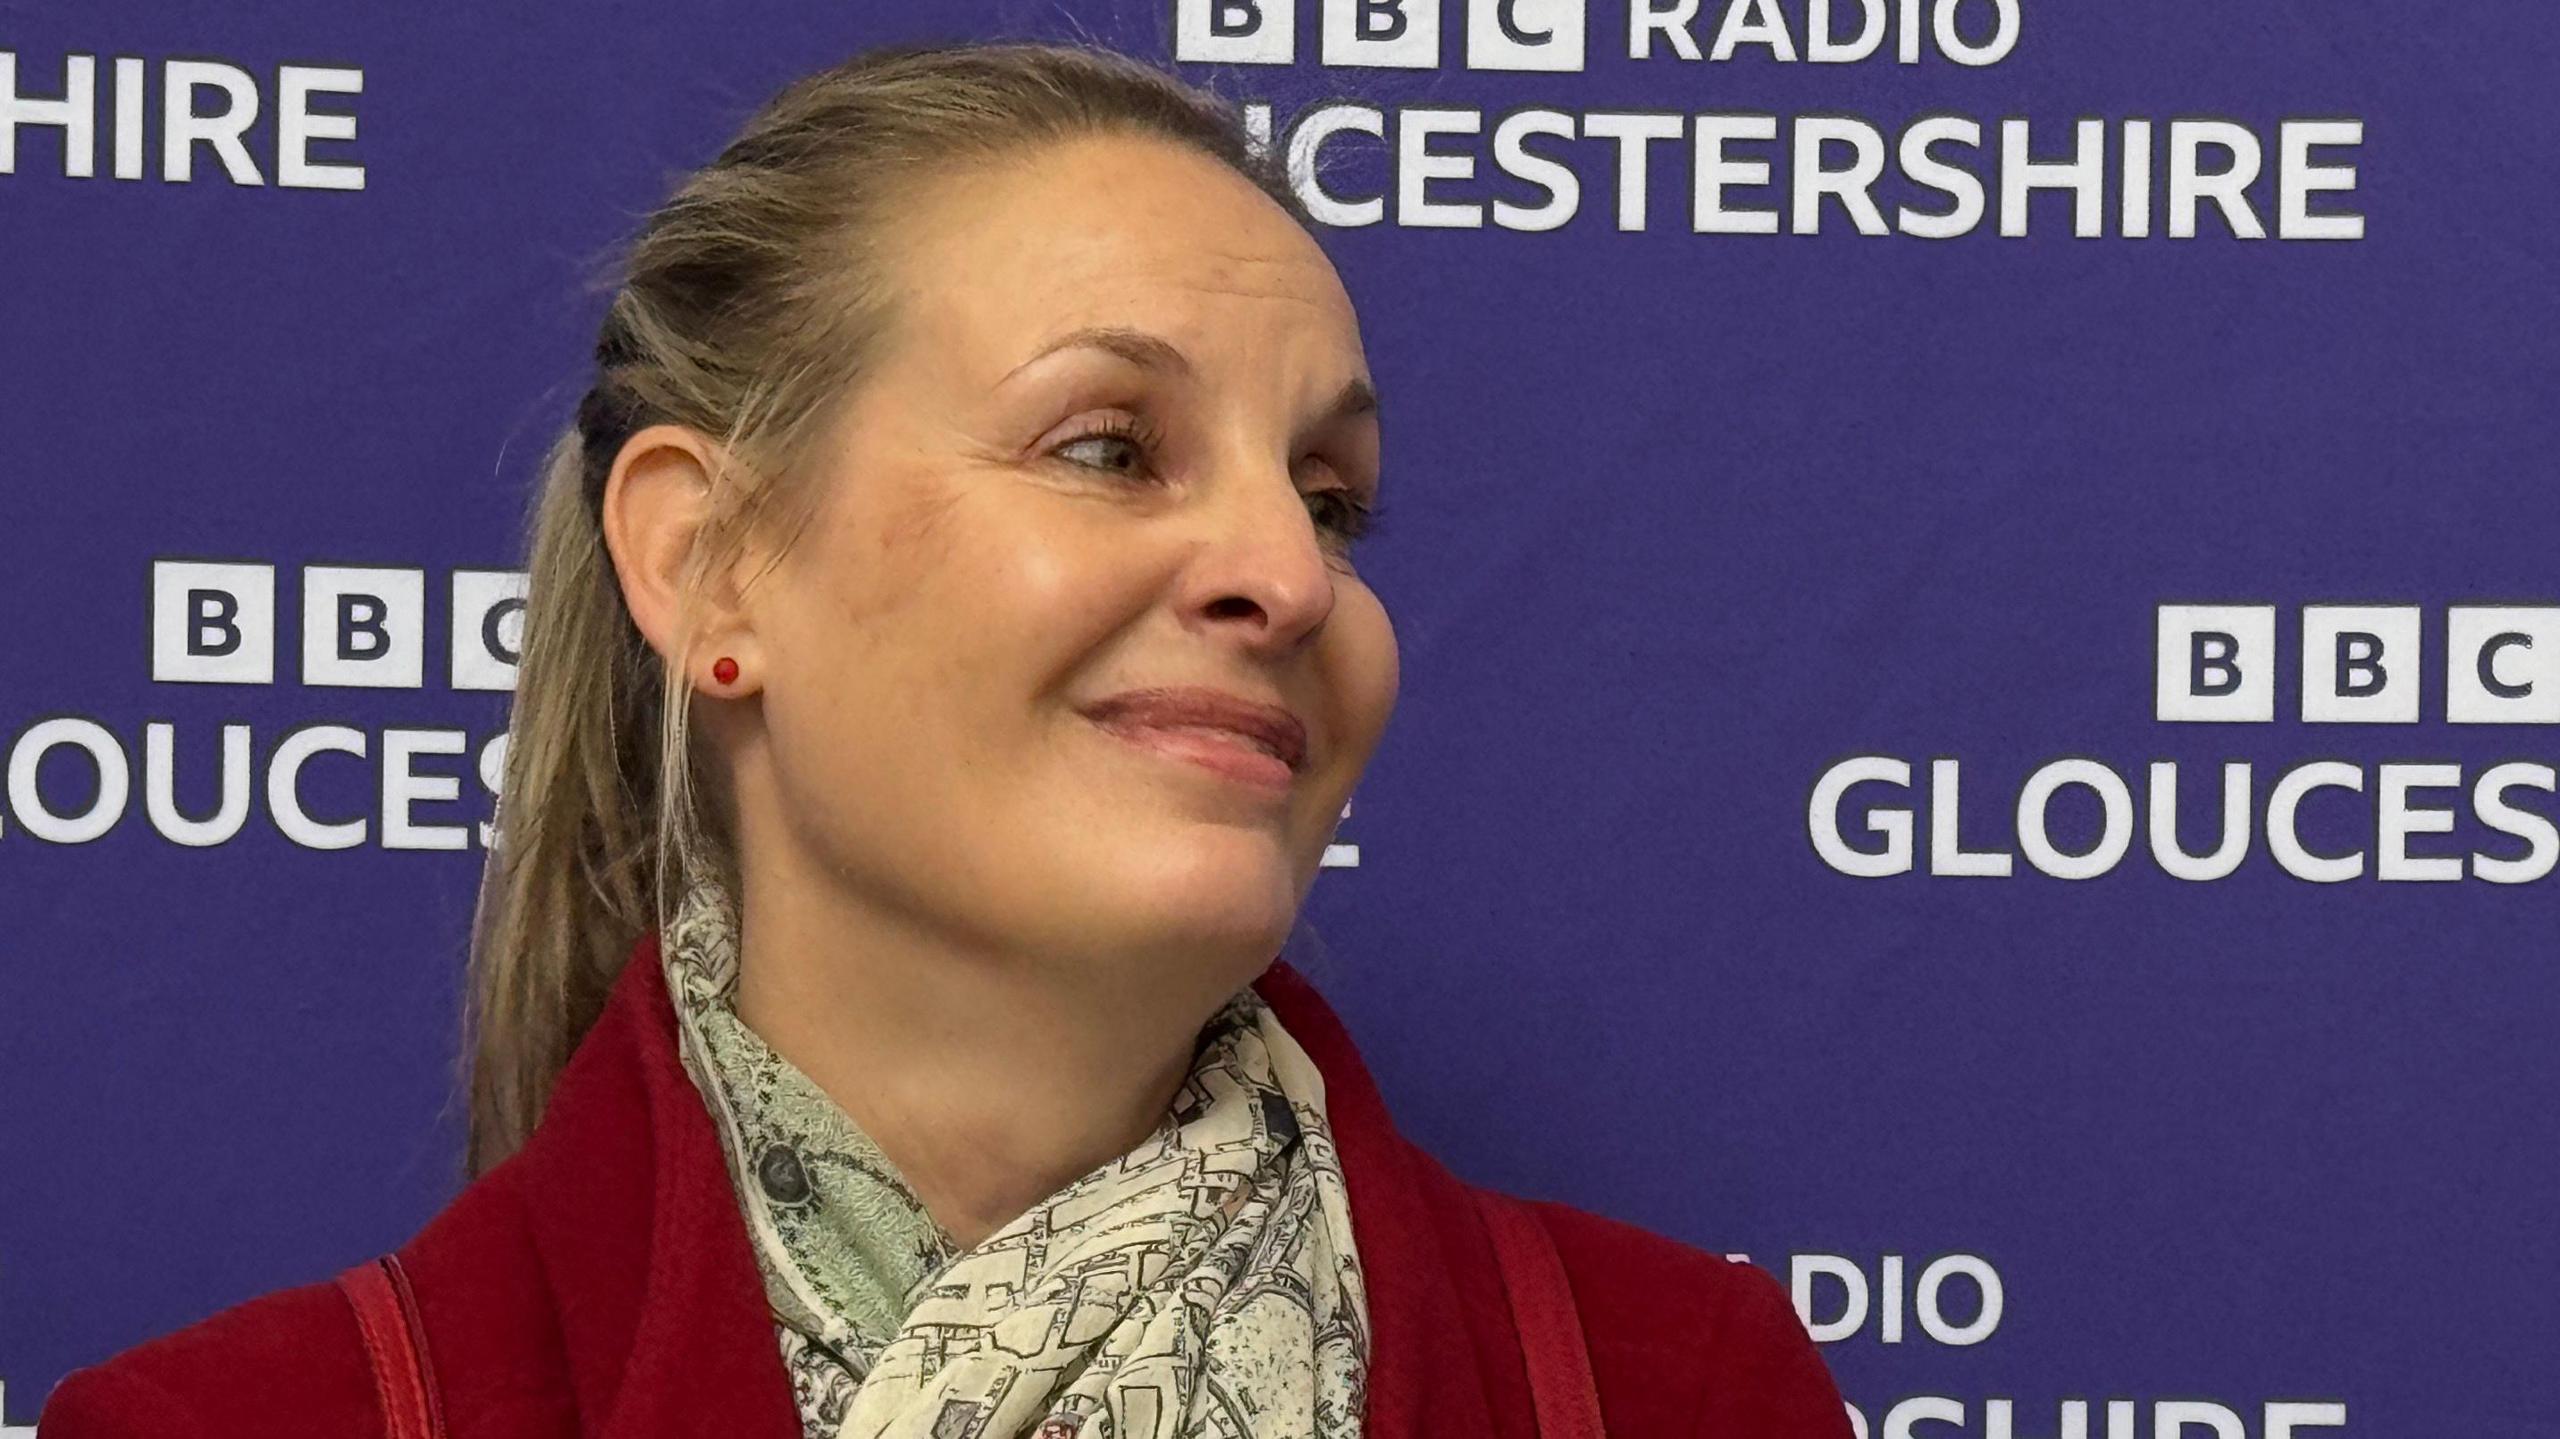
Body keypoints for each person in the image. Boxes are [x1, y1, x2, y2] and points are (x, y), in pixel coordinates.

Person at [39, 40, 1854, 1439]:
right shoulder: (249, 1422)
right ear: (713, 561)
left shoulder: (1682, 1387)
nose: (1288, 575)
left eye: (1334, 497)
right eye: (1107, 446)